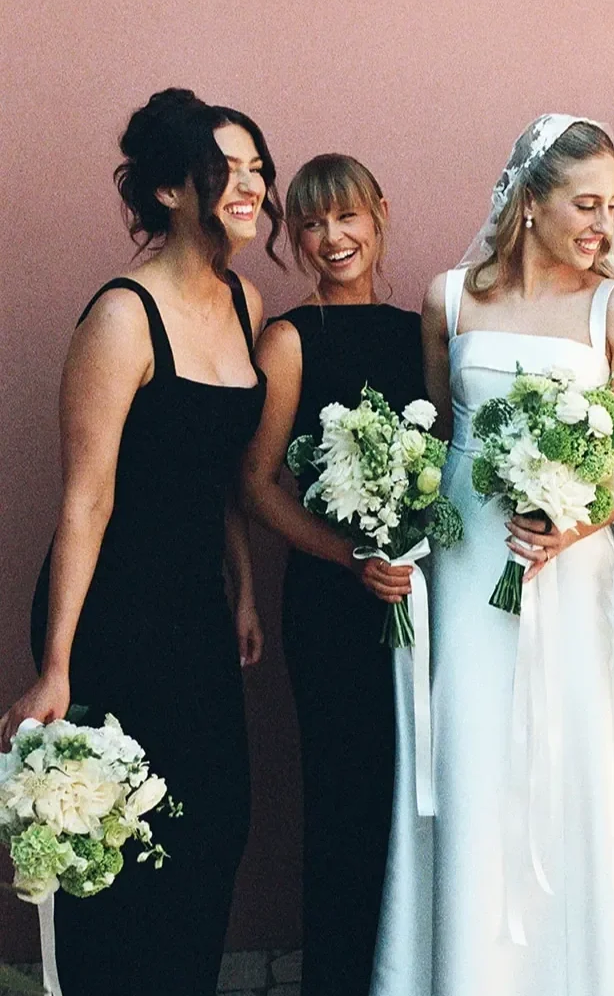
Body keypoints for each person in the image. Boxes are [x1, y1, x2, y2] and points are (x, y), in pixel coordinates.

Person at [369, 115, 614, 995]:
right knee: (472, 762)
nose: (605, 225)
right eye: (584, 205)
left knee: (580, 769)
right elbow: (442, 444)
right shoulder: (449, 298)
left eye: (612, 207)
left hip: (577, 576)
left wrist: (570, 519)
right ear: (528, 202)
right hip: (468, 572)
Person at [0, 87, 284, 996]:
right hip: (111, 610)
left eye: (256, 169)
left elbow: (227, 475)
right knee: (119, 848)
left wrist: (241, 589)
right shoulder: (123, 315)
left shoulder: (248, 299)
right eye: (224, 170)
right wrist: (56, 664)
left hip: (195, 602)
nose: (249, 187)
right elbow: (83, 501)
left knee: (210, 828)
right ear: (169, 190)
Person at [241, 153, 423, 996]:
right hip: (329, 600)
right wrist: (351, 557)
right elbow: (255, 482)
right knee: (344, 796)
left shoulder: (416, 327)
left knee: (414, 791)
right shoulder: (287, 337)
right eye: (310, 224)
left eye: (345, 217)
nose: (330, 238)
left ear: (378, 211)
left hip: (417, 597)